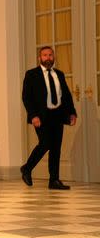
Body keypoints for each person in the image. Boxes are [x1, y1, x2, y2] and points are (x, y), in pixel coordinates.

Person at [21, 46, 77, 190]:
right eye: (45, 55)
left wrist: (72, 113)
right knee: (45, 143)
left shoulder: (59, 74)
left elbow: (66, 95)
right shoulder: (32, 74)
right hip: (41, 116)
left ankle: (54, 180)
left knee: (56, 148)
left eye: (50, 55)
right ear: (39, 58)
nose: (48, 58)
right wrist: (33, 115)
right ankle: (27, 168)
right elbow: (26, 97)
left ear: (54, 57)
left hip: (58, 115)